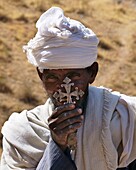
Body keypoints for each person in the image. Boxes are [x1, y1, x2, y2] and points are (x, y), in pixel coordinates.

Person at [1, 6, 136, 170]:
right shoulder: (23, 133)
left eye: (74, 76)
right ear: (41, 76)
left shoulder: (125, 120)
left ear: (92, 73)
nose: (65, 87)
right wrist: (57, 144)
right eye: (53, 78)